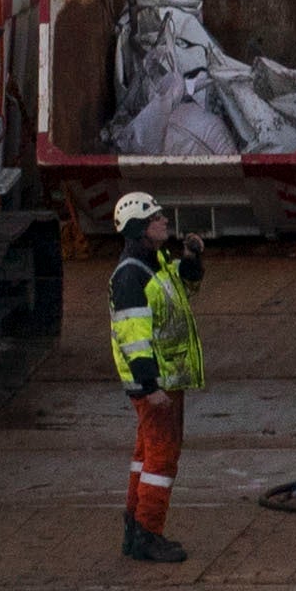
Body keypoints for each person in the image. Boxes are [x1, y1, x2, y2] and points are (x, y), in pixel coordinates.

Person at [106, 190, 202, 567]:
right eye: (156, 218)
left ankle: (135, 527)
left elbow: (182, 287)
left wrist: (192, 260)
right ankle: (148, 533)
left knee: (145, 454)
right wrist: (151, 388)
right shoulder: (132, 275)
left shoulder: (155, 262)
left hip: (164, 379)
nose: (164, 221)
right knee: (162, 457)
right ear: (140, 229)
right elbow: (134, 338)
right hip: (156, 383)